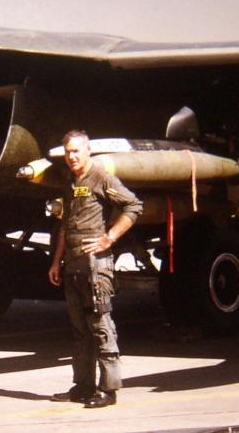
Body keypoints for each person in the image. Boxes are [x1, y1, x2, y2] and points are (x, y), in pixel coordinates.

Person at [48, 129, 143, 409]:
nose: (72, 157)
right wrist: (56, 261)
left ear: (88, 151)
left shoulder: (101, 177)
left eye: (77, 151)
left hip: (95, 266)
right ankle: (83, 385)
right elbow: (65, 225)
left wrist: (109, 238)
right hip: (73, 265)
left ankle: (108, 389)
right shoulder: (70, 182)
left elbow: (134, 205)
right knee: (79, 330)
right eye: (68, 152)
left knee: (101, 326)